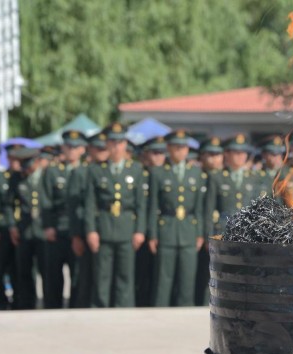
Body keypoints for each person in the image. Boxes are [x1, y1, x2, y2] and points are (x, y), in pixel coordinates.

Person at [84, 122, 146, 307]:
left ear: (125, 144)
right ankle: (101, 308)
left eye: (120, 143)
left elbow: (141, 205)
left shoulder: (135, 170)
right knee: (102, 274)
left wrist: (140, 231)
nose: (116, 147)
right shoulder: (96, 170)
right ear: (107, 145)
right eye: (112, 142)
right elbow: (90, 203)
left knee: (125, 274)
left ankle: (124, 309)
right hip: (104, 227)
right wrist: (91, 231)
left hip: (127, 228)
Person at [147, 130, 206, 306]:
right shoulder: (158, 173)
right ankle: (159, 312)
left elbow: (199, 208)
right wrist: (152, 234)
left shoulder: (196, 174)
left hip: (188, 229)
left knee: (187, 279)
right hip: (167, 229)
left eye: (183, 147)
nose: (180, 151)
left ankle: (185, 313)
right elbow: (152, 207)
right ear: (168, 149)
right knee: (163, 279)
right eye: (176, 147)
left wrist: (200, 233)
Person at [41, 130, 87, 308]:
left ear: (82, 149)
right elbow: (46, 201)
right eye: (68, 147)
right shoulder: (52, 172)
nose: (71, 151)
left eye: (75, 147)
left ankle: (76, 305)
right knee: (53, 272)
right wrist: (48, 226)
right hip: (58, 228)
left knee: (77, 272)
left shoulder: (86, 171)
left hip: (78, 228)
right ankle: (52, 306)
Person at [67, 131, 109, 308]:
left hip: (107, 230)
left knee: (104, 275)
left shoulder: (110, 171)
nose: (101, 152)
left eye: (104, 148)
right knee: (86, 275)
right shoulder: (81, 172)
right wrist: (76, 235)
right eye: (97, 148)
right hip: (86, 231)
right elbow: (74, 207)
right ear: (89, 149)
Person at [3, 148, 48, 309]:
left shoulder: (45, 175)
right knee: (24, 269)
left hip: (43, 229)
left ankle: (48, 303)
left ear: (36, 161)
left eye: (28, 165)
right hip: (24, 231)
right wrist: (12, 226)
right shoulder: (16, 178)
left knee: (46, 268)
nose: (26, 170)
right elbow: (8, 205)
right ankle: (27, 303)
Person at [0, 144, 22, 309]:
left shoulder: (23, 177)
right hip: (2, 229)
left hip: (21, 229)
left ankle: (20, 298)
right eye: (12, 158)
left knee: (20, 266)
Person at [205, 134, 260, 237]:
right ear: (227, 154)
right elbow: (209, 209)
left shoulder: (253, 178)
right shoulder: (217, 177)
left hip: (247, 232)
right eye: (237, 153)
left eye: (243, 153)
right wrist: (209, 234)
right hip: (223, 229)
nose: (241, 156)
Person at [134, 135, 167, 307]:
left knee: (158, 272)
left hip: (159, 229)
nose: (159, 157)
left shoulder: (166, 174)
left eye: (162, 153)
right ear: (146, 154)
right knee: (140, 270)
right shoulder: (140, 173)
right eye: (155, 152)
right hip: (139, 230)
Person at [195, 136, 224, 306]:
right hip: (198, 232)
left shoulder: (222, 177)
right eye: (210, 154)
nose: (214, 158)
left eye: (217, 154)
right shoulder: (198, 176)